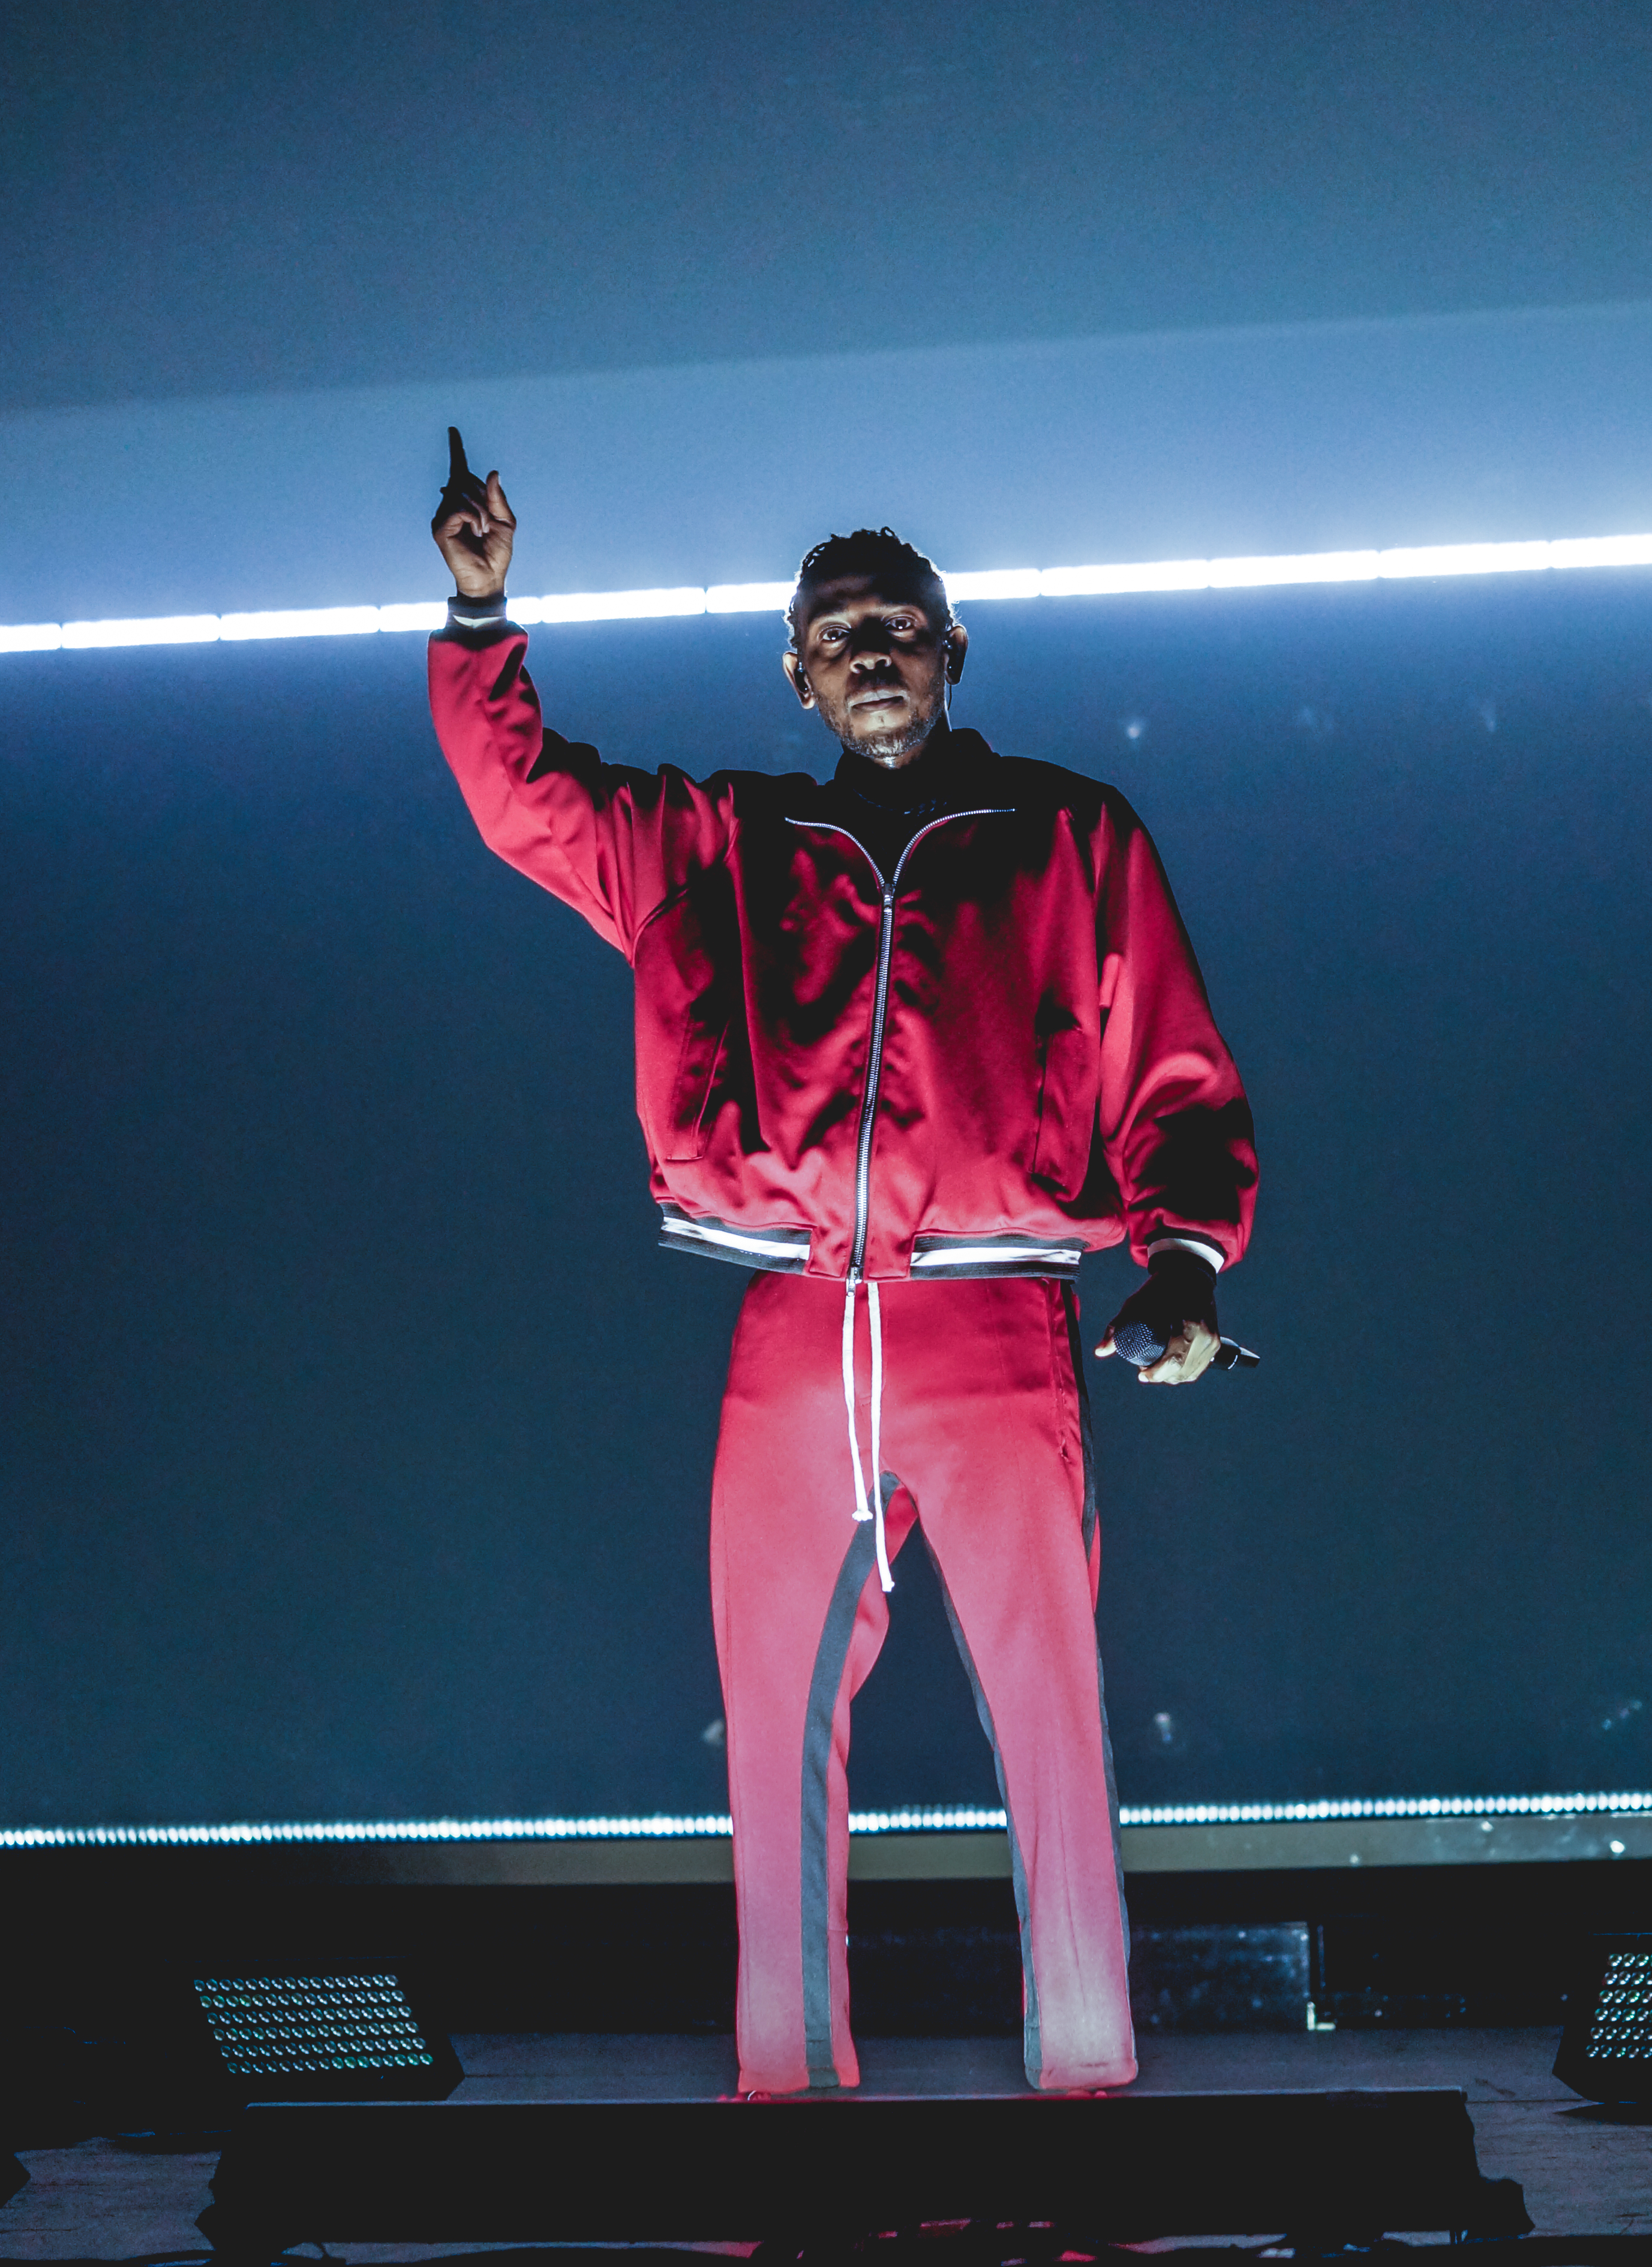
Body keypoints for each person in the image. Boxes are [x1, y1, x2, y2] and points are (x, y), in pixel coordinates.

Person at [429, 434, 1256, 2093]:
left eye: (902, 624)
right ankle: (789, 2095)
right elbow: (529, 805)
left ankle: (1090, 2090)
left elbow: (1171, 1062)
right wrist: (481, 613)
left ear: (954, 655)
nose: (873, 649)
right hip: (795, 1325)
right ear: (796, 675)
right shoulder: (724, 844)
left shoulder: (1067, 833)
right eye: (839, 632)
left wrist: (1182, 1263)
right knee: (779, 1739)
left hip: (998, 1320)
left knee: (1053, 1718)